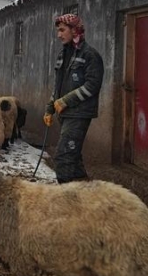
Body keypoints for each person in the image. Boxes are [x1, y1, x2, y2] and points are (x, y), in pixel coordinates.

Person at [43, 14, 104, 184]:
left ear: (74, 30)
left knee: (63, 159)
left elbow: (92, 85)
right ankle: (86, 195)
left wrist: (65, 101)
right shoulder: (63, 55)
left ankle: (68, 201)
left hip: (79, 114)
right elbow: (58, 86)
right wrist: (50, 108)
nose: (59, 35)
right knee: (74, 159)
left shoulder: (90, 55)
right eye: (58, 31)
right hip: (65, 114)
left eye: (62, 30)